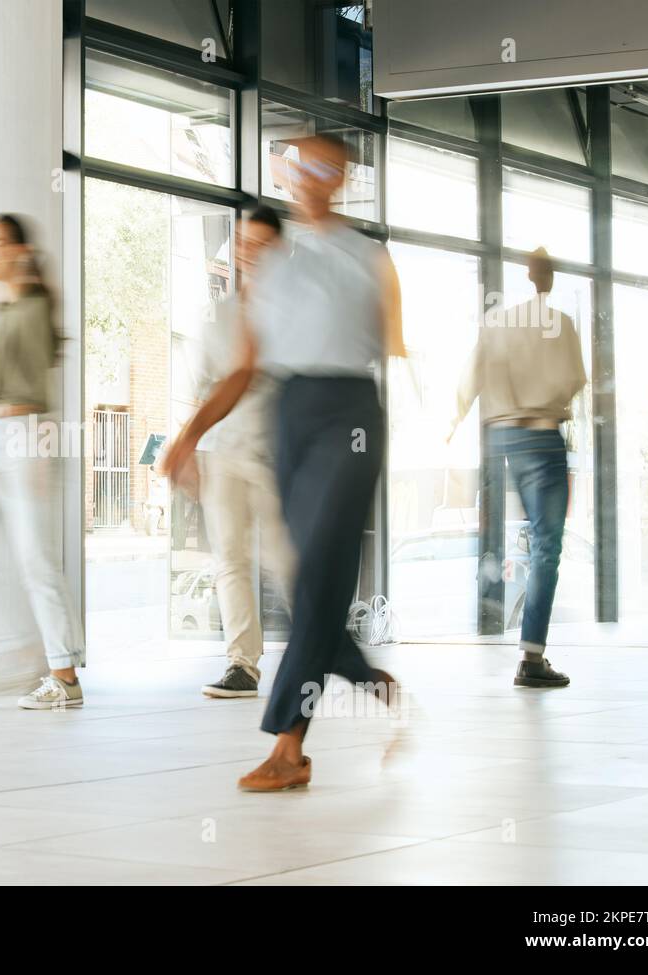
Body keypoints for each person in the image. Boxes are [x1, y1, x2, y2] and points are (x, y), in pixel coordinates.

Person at [160, 134, 405, 791]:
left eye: (324, 165)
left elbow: (391, 346)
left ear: (343, 175)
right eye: (297, 166)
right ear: (285, 175)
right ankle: (371, 684)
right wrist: (189, 434)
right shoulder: (275, 269)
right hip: (291, 416)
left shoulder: (369, 256)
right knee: (312, 588)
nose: (310, 176)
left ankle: (288, 745)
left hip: (349, 415)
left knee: (318, 570)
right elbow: (245, 367)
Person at [450, 248, 585, 688]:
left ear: (528, 274)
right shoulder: (561, 324)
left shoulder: (498, 324)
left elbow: (468, 379)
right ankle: (531, 657)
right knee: (546, 546)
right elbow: (574, 382)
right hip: (541, 435)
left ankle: (511, 633)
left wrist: (451, 426)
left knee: (503, 540)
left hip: (500, 436)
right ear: (547, 276)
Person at [0, 214, 86, 709]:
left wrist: (38, 452)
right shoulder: (0, 310)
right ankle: (25, 650)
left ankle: (63, 676)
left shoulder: (34, 308)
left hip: (24, 437)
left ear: (19, 251)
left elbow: (37, 387)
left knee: (37, 561)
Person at [192, 206, 296, 698]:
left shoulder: (297, 317)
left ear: (281, 251)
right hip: (222, 452)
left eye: (260, 245)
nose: (249, 254)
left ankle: (319, 650)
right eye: (243, 244)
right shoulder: (219, 315)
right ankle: (242, 665)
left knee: (286, 560)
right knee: (229, 559)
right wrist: (190, 444)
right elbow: (202, 388)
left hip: (275, 453)